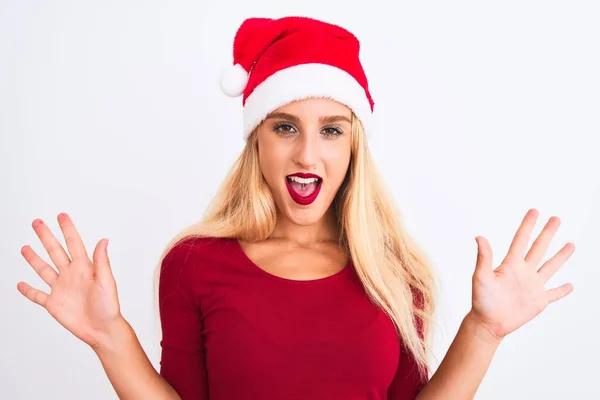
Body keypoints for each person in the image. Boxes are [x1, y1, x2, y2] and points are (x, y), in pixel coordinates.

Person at [16, 16, 575, 400]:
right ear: (257, 139)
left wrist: (484, 329)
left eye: (331, 130)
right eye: (285, 127)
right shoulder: (195, 264)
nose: (307, 152)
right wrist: (109, 335)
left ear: (354, 144)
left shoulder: (395, 273)